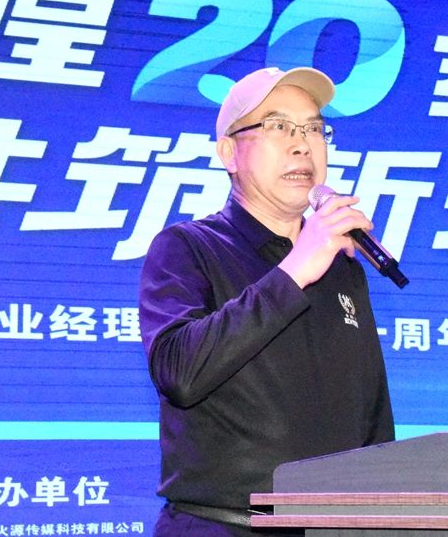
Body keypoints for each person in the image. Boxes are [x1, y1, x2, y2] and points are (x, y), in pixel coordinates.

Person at [139, 66, 395, 536]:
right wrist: (295, 270)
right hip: (222, 526)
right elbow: (179, 372)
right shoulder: (188, 247)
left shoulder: (343, 266)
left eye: (313, 129)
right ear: (229, 152)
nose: (302, 144)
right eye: (278, 126)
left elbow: (372, 413)